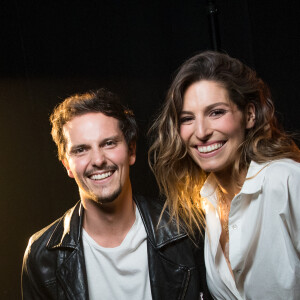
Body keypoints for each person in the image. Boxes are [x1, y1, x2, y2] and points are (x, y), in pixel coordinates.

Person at [21, 88, 211, 300]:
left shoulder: (186, 230)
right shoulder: (42, 256)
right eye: (81, 150)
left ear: (131, 150)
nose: (98, 160)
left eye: (109, 143)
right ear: (66, 164)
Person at [149, 51, 300, 299]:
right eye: (187, 118)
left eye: (216, 112)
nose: (201, 132)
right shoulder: (206, 203)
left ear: (249, 115)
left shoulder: (286, 180)